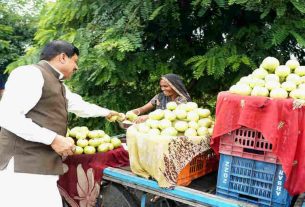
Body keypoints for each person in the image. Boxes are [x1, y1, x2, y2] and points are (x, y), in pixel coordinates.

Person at [0, 40, 119, 207]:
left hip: (39, 166)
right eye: (75, 61)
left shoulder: (57, 83)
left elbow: (79, 105)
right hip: (23, 168)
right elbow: (8, 116)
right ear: (63, 57)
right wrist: (53, 139)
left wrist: (107, 113)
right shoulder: (29, 74)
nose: (76, 67)